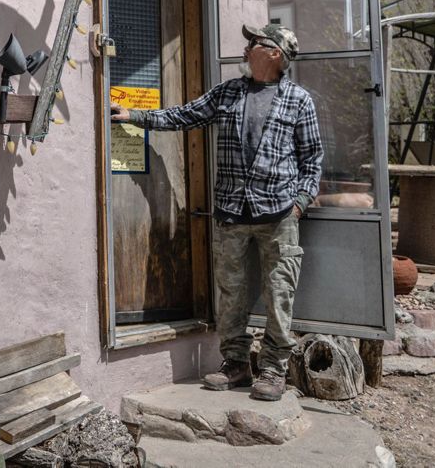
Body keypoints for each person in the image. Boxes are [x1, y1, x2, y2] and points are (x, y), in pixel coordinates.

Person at [110, 23, 322, 401]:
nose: (246, 47)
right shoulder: (229, 93)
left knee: (279, 295)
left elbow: (313, 158)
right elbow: (185, 115)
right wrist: (134, 116)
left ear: (275, 53)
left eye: (254, 42)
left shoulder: (298, 100)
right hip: (231, 214)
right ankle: (237, 364)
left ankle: (273, 371)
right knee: (231, 297)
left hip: (277, 217)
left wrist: (300, 204)